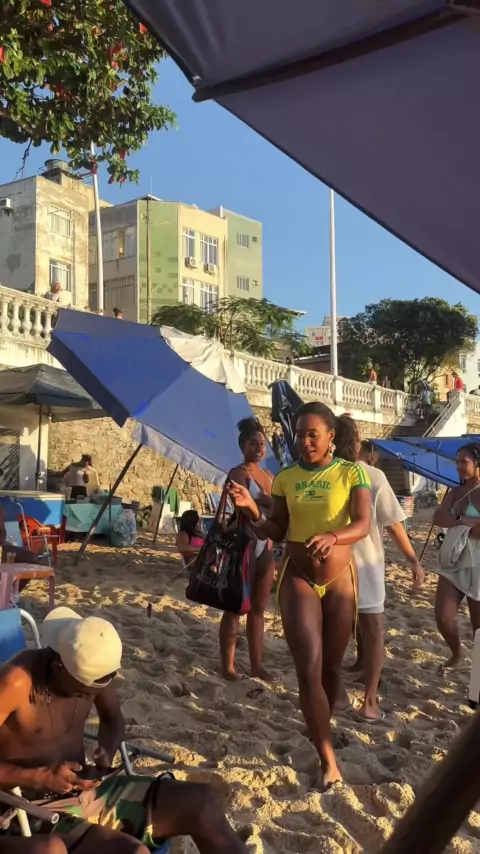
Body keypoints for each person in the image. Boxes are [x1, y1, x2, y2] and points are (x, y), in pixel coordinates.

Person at [0, 607, 247, 854]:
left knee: (202, 802)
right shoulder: (15, 683)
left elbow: (112, 718)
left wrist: (107, 750)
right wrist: (41, 776)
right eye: (81, 692)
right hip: (26, 806)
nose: (87, 697)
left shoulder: (91, 669)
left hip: (86, 790)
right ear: (58, 668)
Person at [229, 403, 371, 790]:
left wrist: (333, 536)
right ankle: (328, 759)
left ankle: (322, 722)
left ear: (330, 437)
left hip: (340, 579)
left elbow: (363, 523)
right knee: (308, 669)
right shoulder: (286, 477)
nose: (304, 442)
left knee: (331, 670)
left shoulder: (351, 472)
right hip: (298, 577)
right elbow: (276, 529)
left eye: (312, 435)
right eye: (299, 435)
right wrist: (252, 510)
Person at [346, 440, 425, 721]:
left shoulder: (322, 472)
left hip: (329, 565)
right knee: (373, 627)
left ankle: (340, 689)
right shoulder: (371, 475)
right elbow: (393, 524)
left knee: (338, 628)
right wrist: (413, 559)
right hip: (365, 563)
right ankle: (369, 701)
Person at [220, 418, 277, 683]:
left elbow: (279, 511)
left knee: (259, 609)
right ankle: (228, 666)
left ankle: (257, 665)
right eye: (253, 443)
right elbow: (243, 507)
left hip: (266, 544)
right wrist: (267, 503)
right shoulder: (237, 473)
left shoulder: (269, 477)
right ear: (243, 446)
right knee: (234, 606)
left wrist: (263, 502)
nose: (259, 448)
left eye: (262, 444)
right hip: (245, 542)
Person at [432, 443, 480, 674]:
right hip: (454, 557)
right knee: (443, 616)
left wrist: (458, 523)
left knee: (478, 629)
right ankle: (456, 652)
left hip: (478, 562)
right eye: (457, 461)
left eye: (464, 462)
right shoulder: (455, 491)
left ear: (477, 463)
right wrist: (463, 521)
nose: (459, 466)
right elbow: (437, 518)